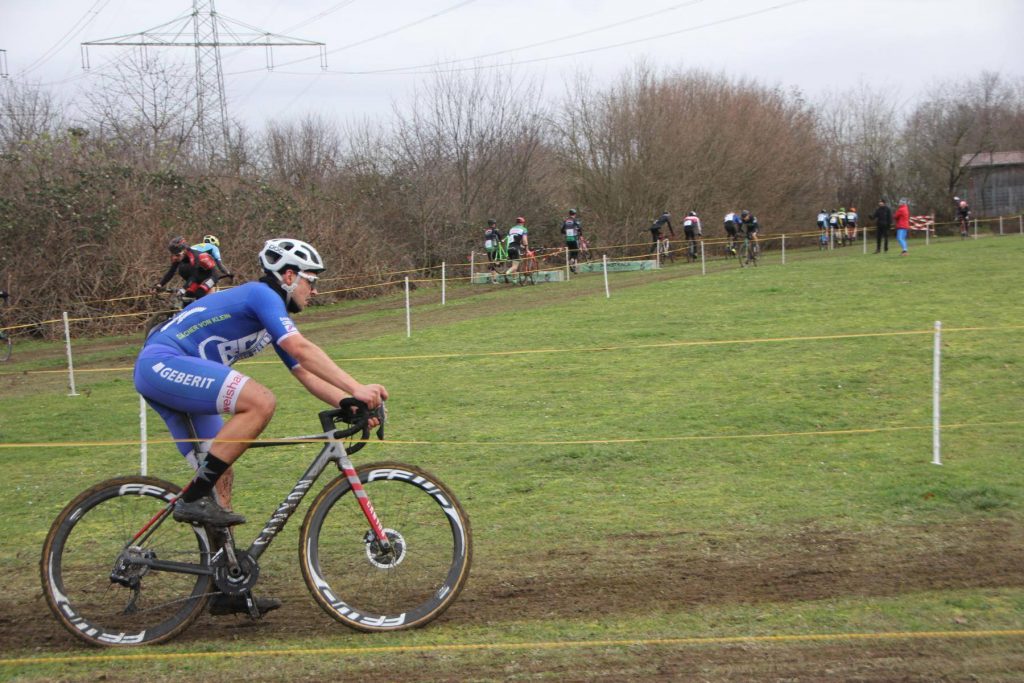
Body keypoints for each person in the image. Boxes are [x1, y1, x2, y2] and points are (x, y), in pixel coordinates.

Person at [134, 238, 387, 615]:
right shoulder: (260, 294)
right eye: (310, 281)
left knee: (221, 473)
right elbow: (302, 349)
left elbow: (302, 371)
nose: (314, 290)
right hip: (164, 363)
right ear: (288, 276)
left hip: (176, 375)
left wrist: (347, 402)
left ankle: (226, 583)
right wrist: (357, 387)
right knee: (261, 401)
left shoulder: (272, 318)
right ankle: (191, 499)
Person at [154, 236, 223, 299]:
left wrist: (183, 288)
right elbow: (171, 272)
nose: (175, 257)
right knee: (188, 295)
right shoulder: (179, 256)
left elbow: (194, 275)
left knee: (199, 293)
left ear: (184, 251)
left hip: (211, 276)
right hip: (198, 276)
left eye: (177, 255)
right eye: (173, 255)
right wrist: (160, 284)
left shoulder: (194, 256)